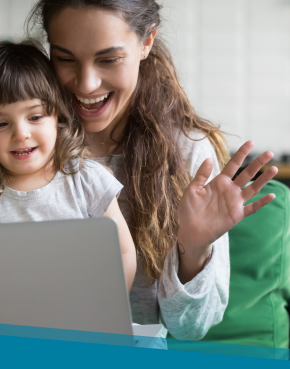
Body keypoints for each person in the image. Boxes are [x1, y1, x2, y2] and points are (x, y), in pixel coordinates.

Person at [27, 0, 278, 340]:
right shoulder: (26, 144)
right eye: (65, 59)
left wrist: (194, 248)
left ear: (146, 42)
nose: (86, 84)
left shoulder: (188, 151)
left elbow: (191, 329)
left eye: (109, 59)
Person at [0, 41, 137, 290]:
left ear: (58, 117)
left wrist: (108, 303)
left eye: (35, 117)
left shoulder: (86, 179)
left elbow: (123, 254)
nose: (21, 134)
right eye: (1, 124)